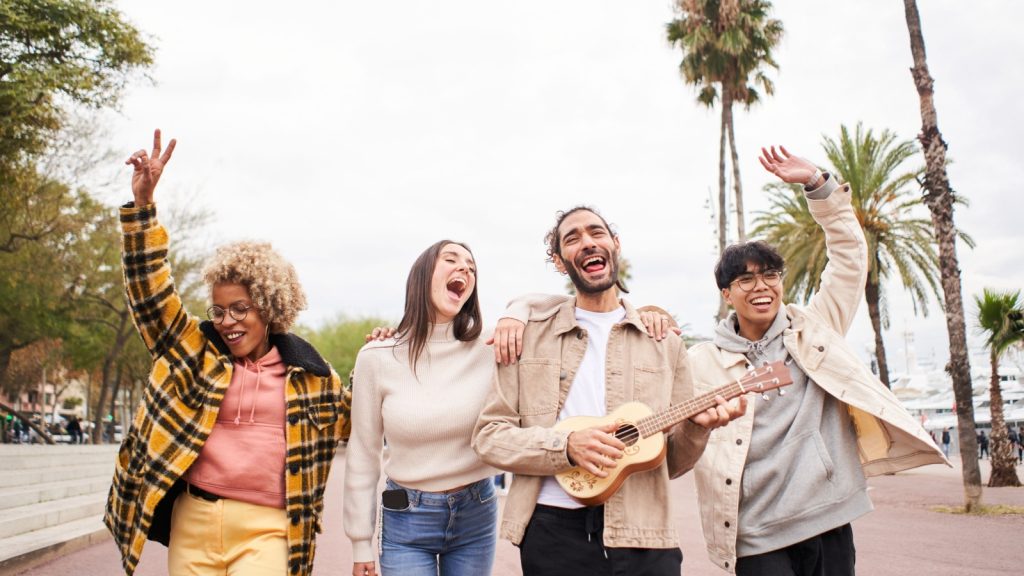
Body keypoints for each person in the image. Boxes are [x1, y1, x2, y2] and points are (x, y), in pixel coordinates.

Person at [685, 146, 948, 575]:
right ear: (727, 293)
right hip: (756, 531)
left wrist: (819, 186)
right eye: (745, 278)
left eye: (770, 274)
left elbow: (848, 260)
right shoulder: (702, 361)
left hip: (827, 516)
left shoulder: (815, 327)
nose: (761, 286)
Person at [105, 130, 351, 576]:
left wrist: (383, 353)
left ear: (270, 307)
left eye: (241, 309)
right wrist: (143, 206)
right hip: (193, 523)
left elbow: (364, 417)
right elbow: (150, 292)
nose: (228, 321)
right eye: (219, 310)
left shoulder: (313, 375)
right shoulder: (192, 349)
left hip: (269, 529)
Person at [473, 205, 744, 576]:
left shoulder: (664, 341)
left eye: (596, 233)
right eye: (572, 238)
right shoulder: (527, 336)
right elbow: (489, 437)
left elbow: (673, 462)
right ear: (559, 261)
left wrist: (699, 428)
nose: (587, 242)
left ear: (615, 244)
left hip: (645, 533)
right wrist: (565, 447)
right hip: (551, 531)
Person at [343, 240, 552, 576]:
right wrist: (360, 543)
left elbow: (561, 306)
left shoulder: (489, 346)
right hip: (405, 516)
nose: (464, 269)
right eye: (451, 259)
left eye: (471, 266)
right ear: (422, 276)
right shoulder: (377, 357)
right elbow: (363, 454)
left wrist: (517, 310)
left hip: (476, 511)